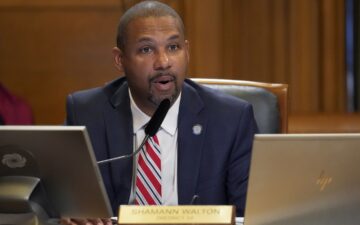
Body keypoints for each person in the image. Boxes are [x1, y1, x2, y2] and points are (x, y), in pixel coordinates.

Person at [65, 0, 258, 221]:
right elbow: (53, 201)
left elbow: (251, 215)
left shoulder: (230, 119)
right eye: (146, 49)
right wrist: (70, 216)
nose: (163, 62)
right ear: (120, 60)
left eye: (173, 47)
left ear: (187, 52)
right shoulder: (87, 114)